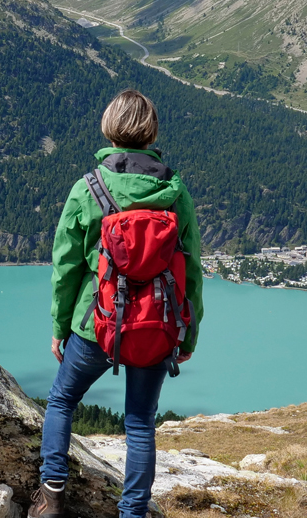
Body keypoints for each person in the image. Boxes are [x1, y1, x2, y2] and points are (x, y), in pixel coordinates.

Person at [29, 89, 204, 518]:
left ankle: (51, 495)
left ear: (109, 129)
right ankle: (132, 513)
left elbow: (66, 268)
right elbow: (193, 271)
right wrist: (188, 332)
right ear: (151, 133)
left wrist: (59, 327)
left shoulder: (87, 189)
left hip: (96, 325)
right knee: (140, 423)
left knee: (62, 400)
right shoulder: (175, 192)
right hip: (157, 326)